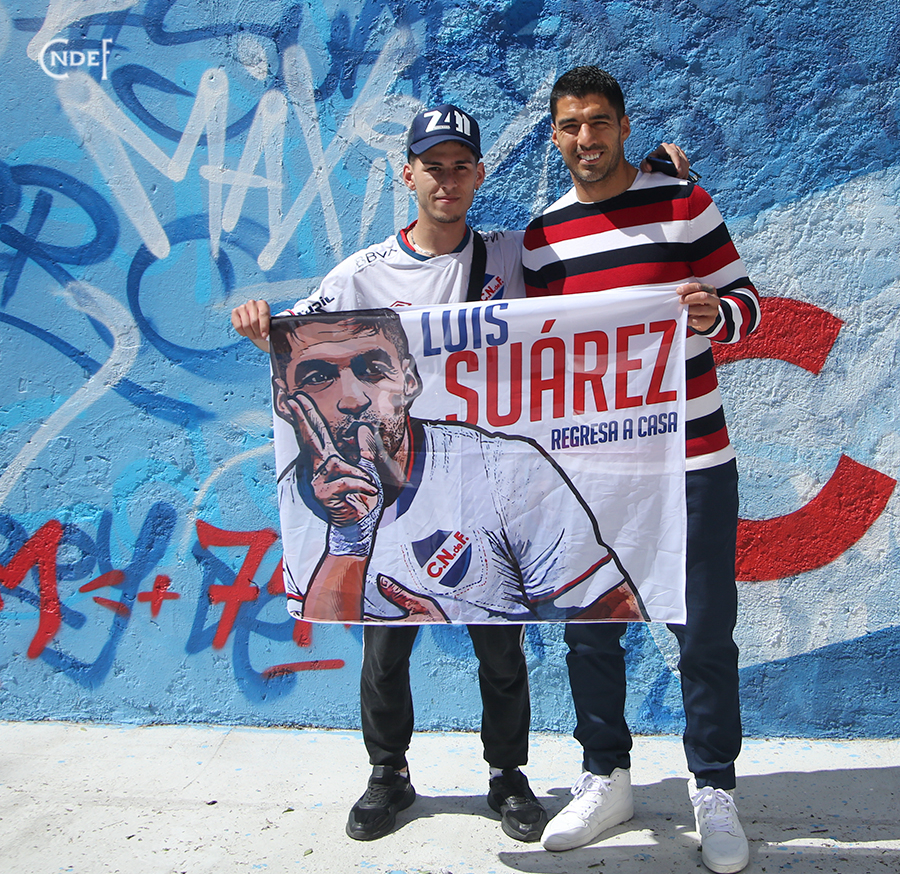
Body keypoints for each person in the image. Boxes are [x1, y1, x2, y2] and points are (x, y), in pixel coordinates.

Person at [231, 103, 688, 847]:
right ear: (407, 174)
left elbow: (592, 233)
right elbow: (295, 339)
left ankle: (506, 775)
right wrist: (259, 325)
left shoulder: (512, 254)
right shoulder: (363, 274)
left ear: (478, 175)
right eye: (432, 167)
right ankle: (388, 775)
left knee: (498, 641)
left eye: (459, 167)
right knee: (384, 643)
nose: (445, 181)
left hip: (472, 472)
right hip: (376, 479)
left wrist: (651, 183)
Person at [522, 67, 761, 874]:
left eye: (597, 122)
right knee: (590, 627)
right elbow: (531, 352)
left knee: (703, 631)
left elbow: (748, 303)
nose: (584, 138)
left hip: (693, 458)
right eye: (569, 126)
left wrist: (716, 313)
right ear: (555, 136)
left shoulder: (683, 204)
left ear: (623, 126)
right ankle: (605, 778)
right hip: (592, 468)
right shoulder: (541, 238)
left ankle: (713, 788)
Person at [268, 309, 647, 625]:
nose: (353, 399)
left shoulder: (505, 470)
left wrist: (454, 623)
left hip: (498, 667)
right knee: (382, 675)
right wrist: (349, 540)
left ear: (409, 380)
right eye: (318, 378)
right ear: (284, 401)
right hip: (384, 683)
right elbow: (323, 631)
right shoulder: (295, 493)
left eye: (372, 369)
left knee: (500, 670)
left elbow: (608, 610)